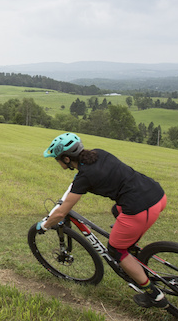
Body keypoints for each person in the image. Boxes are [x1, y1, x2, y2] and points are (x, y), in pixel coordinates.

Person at [36, 132, 169, 308]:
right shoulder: (99, 154)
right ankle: (132, 248)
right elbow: (77, 181)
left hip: (141, 209)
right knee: (116, 209)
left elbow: (61, 214)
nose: (57, 162)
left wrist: (44, 225)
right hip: (157, 195)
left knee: (116, 250)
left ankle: (155, 295)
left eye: (58, 159)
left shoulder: (85, 177)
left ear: (67, 159)